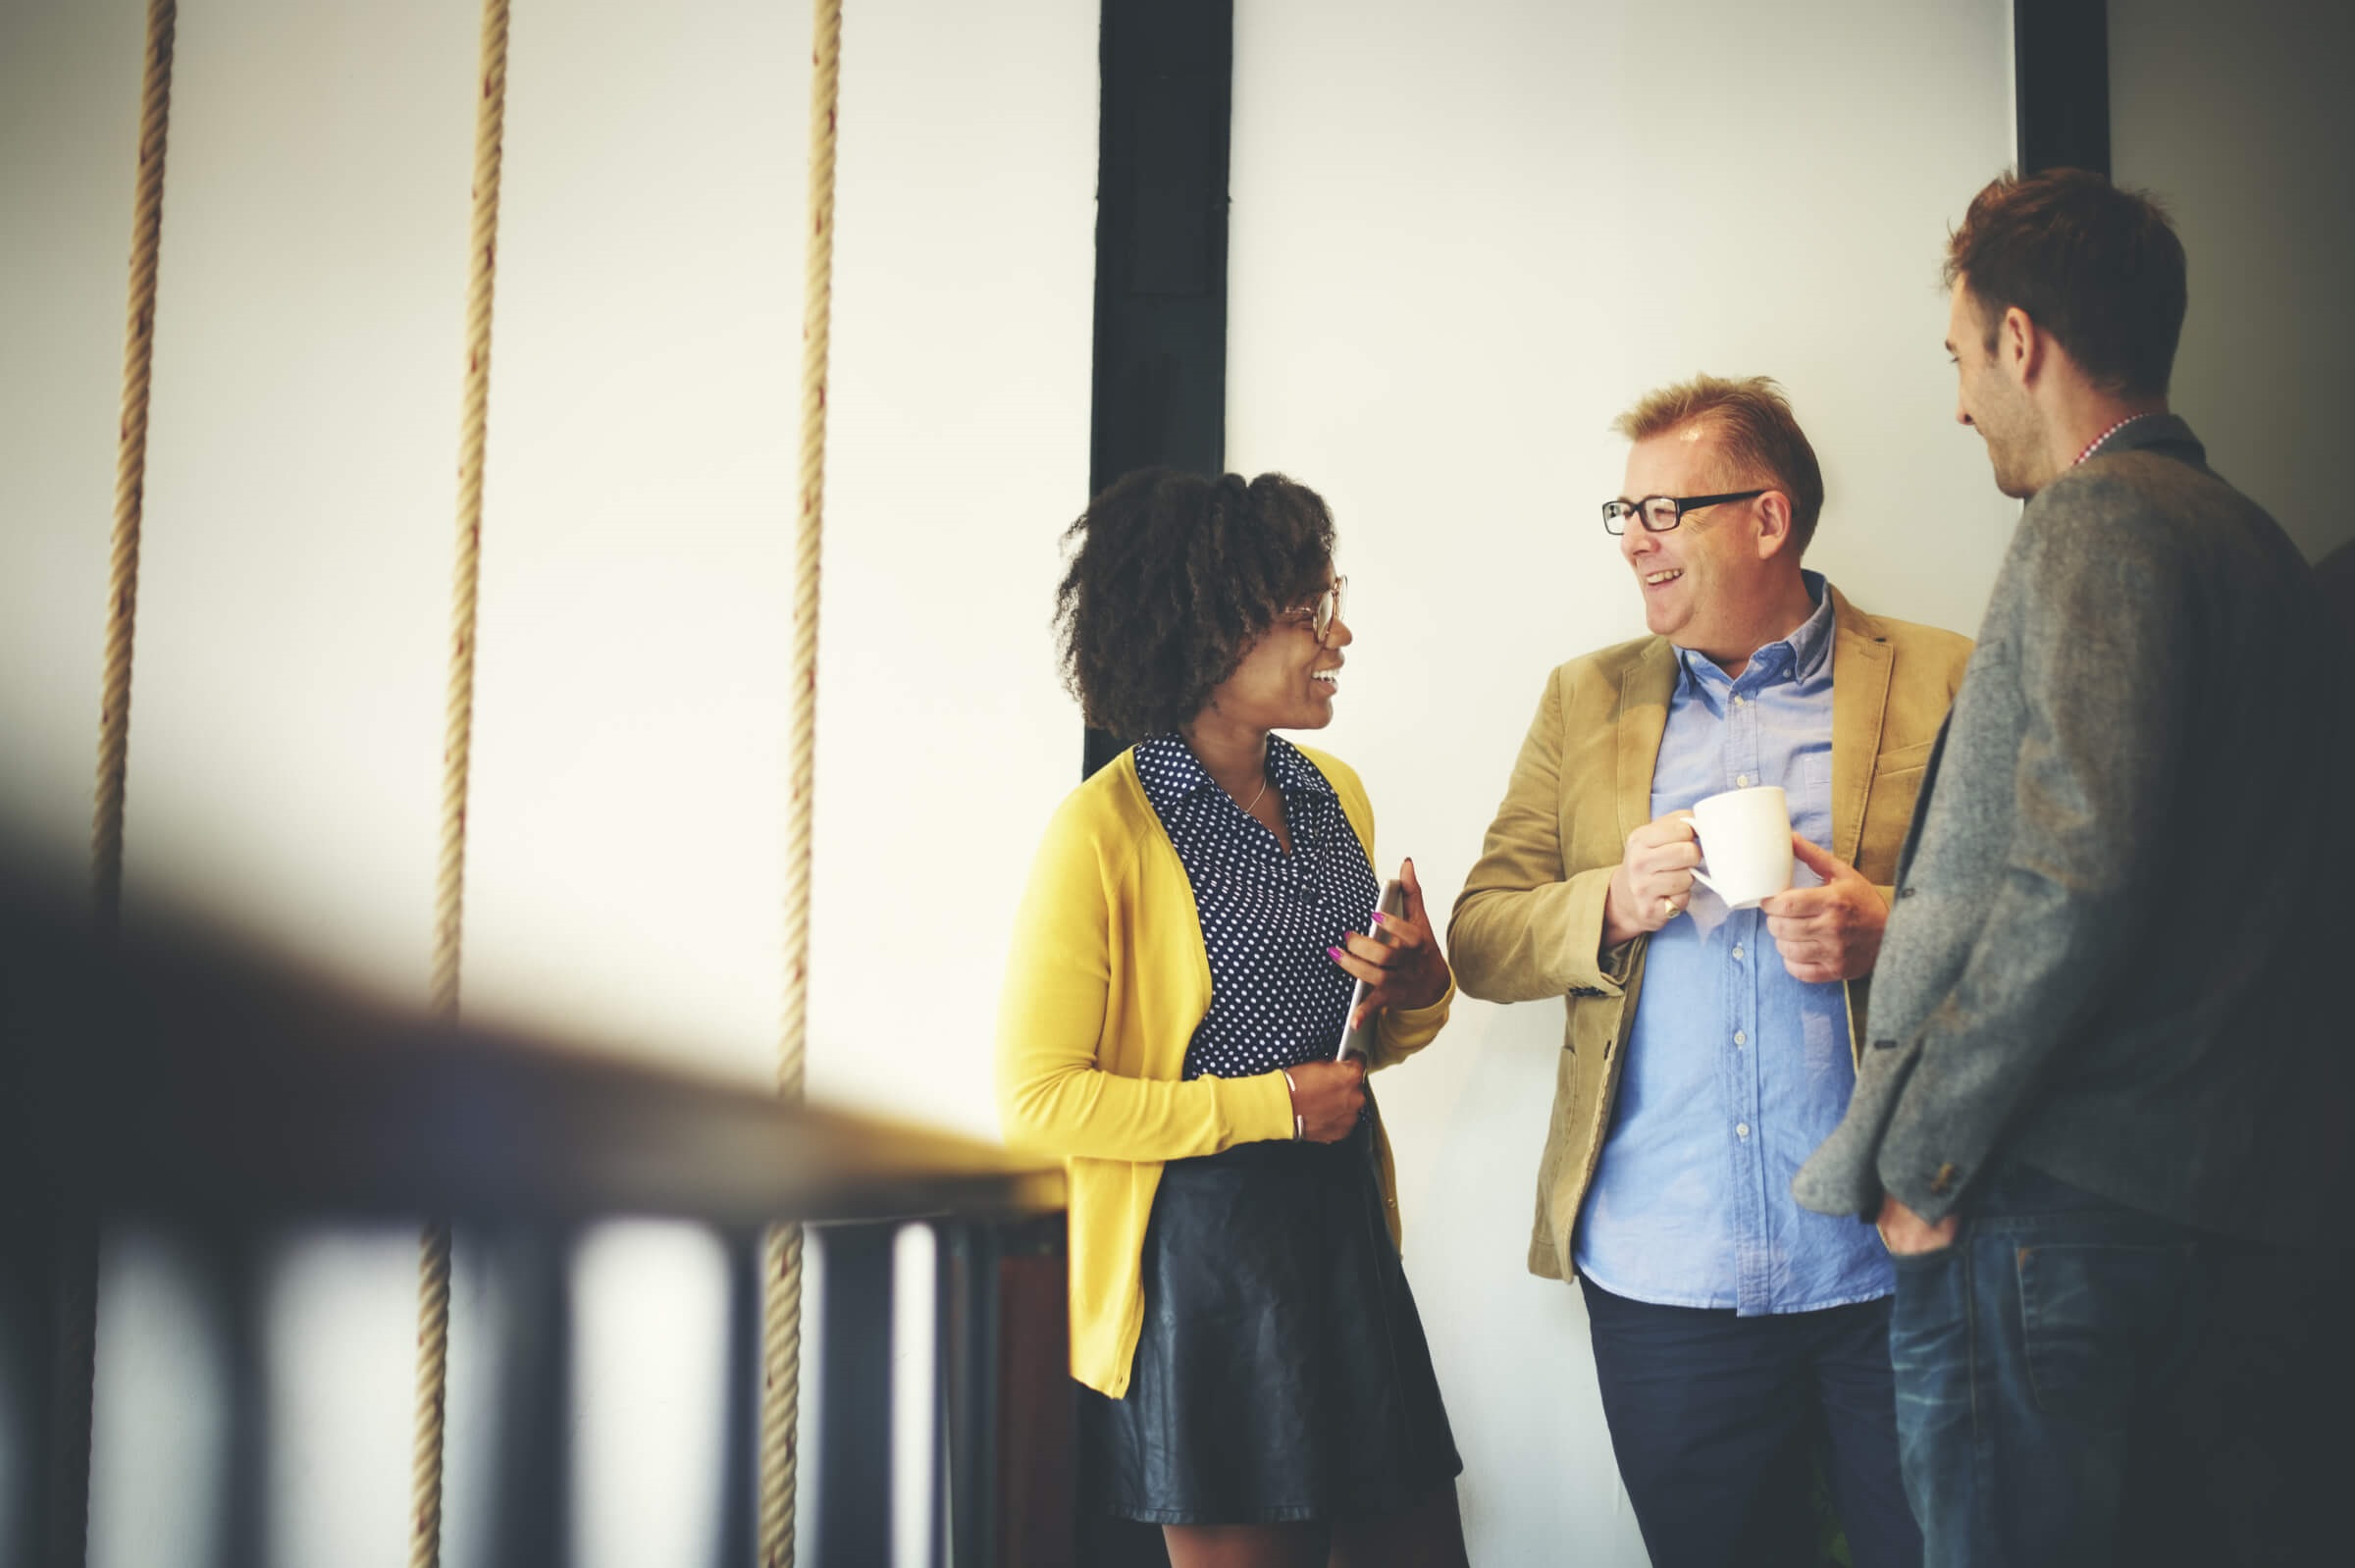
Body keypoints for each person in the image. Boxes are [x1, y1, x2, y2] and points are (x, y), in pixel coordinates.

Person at [1793, 167, 2355, 1567]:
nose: (1961, 399)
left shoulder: (2100, 522)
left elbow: (2081, 875)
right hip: (2223, 1216)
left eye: (1962, 358)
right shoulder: (2263, 549)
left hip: (2057, 1222)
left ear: (2023, 340)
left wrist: (1929, 1156)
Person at [1448, 376, 1966, 1568]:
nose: (1632, 539)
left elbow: (2044, 921)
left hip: (1889, 1258)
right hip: (1662, 1274)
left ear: (1766, 518)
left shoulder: (1944, 676)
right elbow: (1481, 931)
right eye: (1621, 513)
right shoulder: (1585, 698)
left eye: (1662, 511)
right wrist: (1609, 902)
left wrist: (1889, 925)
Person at [997, 469, 1469, 1568]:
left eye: (1328, 597)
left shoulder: (1331, 789)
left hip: (1343, 1238)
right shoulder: (1103, 831)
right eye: (1308, 609)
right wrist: (1271, 1106)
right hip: (1203, 1271)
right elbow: (1037, 1099)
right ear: (1204, 627)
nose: (1338, 631)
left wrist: (1413, 990)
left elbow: (1360, 1044)